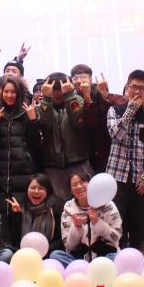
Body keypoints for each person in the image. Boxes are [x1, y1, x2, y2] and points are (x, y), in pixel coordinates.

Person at [105, 70, 144, 251]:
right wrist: (130, 111)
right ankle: (117, 255)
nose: (137, 91)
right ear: (127, 88)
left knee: (139, 224)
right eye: (133, 87)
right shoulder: (114, 110)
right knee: (117, 221)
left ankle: (137, 256)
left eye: (141, 88)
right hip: (116, 178)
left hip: (139, 179)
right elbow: (116, 135)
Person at [0, 77, 40, 214]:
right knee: (1, 210)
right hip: (1, 170)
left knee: (21, 212)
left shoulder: (27, 111)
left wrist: (33, 120)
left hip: (24, 169)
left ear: (19, 93)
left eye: (13, 92)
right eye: (6, 91)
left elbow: (35, 143)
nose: (9, 95)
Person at [37, 73, 92, 201]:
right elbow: (45, 125)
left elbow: (77, 121)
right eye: (54, 91)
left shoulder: (76, 100)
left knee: (86, 200)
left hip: (79, 162)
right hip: (53, 166)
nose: (57, 95)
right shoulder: (44, 104)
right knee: (58, 205)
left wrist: (69, 95)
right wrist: (46, 98)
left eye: (60, 91)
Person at [49, 170, 122, 265]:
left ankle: (92, 269)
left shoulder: (108, 205)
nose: (79, 186)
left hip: (104, 256)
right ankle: (84, 269)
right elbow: (69, 246)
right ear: (71, 190)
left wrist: (98, 223)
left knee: (115, 257)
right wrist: (76, 227)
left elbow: (116, 238)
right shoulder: (68, 210)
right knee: (55, 255)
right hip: (78, 259)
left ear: (91, 184)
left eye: (82, 182)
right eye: (74, 184)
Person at [5, 174, 63, 252]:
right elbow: (14, 240)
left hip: (48, 252)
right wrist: (17, 215)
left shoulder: (55, 208)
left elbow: (59, 240)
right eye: (33, 188)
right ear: (27, 189)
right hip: (22, 252)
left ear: (47, 191)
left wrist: (44, 251)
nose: (36, 191)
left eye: (41, 188)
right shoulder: (19, 207)